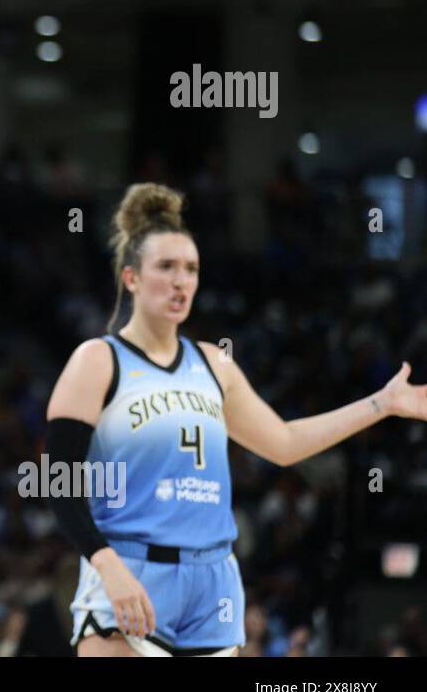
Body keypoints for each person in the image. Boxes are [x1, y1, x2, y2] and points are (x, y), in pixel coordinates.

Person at [45, 182, 427, 656]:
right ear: (132, 278)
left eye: (191, 269)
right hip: (129, 569)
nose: (181, 280)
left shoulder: (214, 365)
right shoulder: (98, 360)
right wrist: (106, 565)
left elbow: (284, 444)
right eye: (166, 267)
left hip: (213, 584)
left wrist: (383, 404)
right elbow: (57, 481)